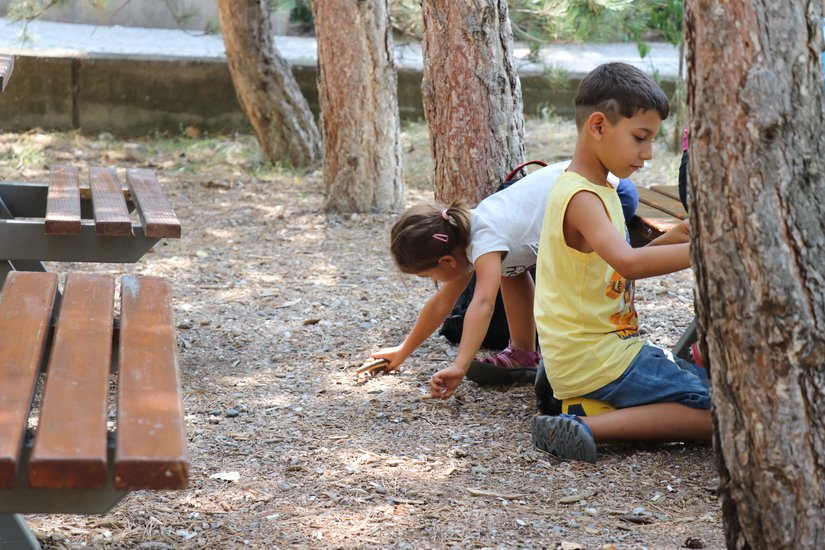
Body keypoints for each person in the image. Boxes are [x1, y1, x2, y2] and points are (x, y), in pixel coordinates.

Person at [530, 61, 712, 463]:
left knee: (708, 387)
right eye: (640, 138)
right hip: (597, 357)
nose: (647, 155)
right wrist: (711, 253)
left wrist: (671, 239)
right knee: (720, 414)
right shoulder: (582, 198)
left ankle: (587, 405)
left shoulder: (602, 188)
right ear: (598, 126)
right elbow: (628, 264)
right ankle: (581, 425)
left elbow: (613, 268)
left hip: (600, 351)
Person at [371, 162, 639, 399]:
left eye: (428, 276)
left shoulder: (485, 237)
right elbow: (442, 303)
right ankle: (524, 352)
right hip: (591, 186)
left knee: (583, 274)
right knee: (510, 270)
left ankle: (611, 346)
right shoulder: (465, 236)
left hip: (607, 193)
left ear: (447, 262)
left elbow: (484, 303)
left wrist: (459, 366)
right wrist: (403, 350)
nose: (433, 282)